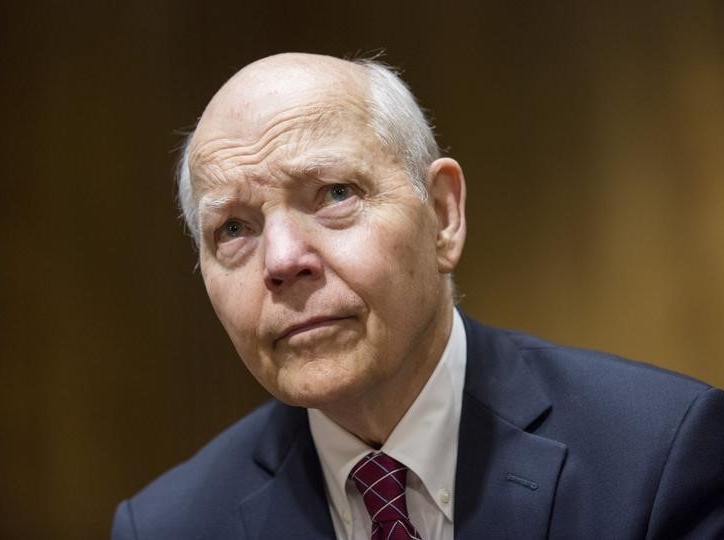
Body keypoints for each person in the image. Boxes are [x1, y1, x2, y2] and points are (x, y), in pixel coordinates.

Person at [112, 53, 724, 539]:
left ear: (443, 215)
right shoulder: (170, 525)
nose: (281, 262)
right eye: (235, 230)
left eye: (333, 194)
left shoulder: (661, 459)